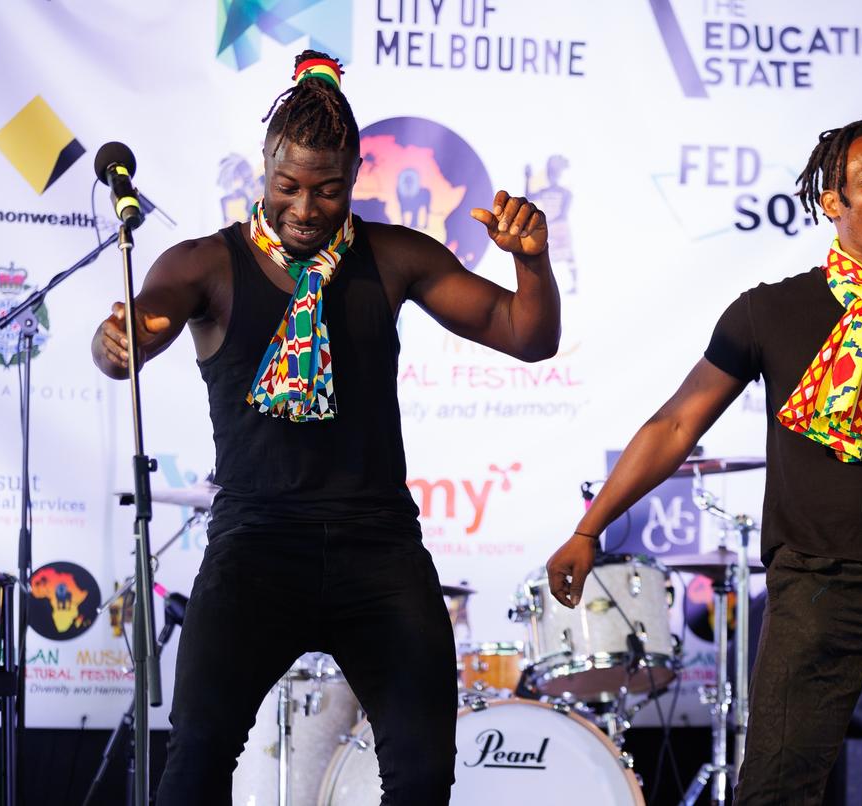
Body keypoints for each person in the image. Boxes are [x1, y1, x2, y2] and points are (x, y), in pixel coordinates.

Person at [92, 50, 559, 805]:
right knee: (197, 760)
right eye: (288, 186)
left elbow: (526, 334)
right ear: (265, 167)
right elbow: (137, 330)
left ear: (355, 174)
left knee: (421, 772)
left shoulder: (396, 255)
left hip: (378, 547)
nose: (305, 207)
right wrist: (119, 344)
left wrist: (533, 265)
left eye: (327, 188)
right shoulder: (204, 264)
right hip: (255, 542)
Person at [546, 120, 862, 804]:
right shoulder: (769, 312)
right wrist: (588, 528)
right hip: (816, 586)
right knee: (776, 795)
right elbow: (675, 424)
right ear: (830, 203)